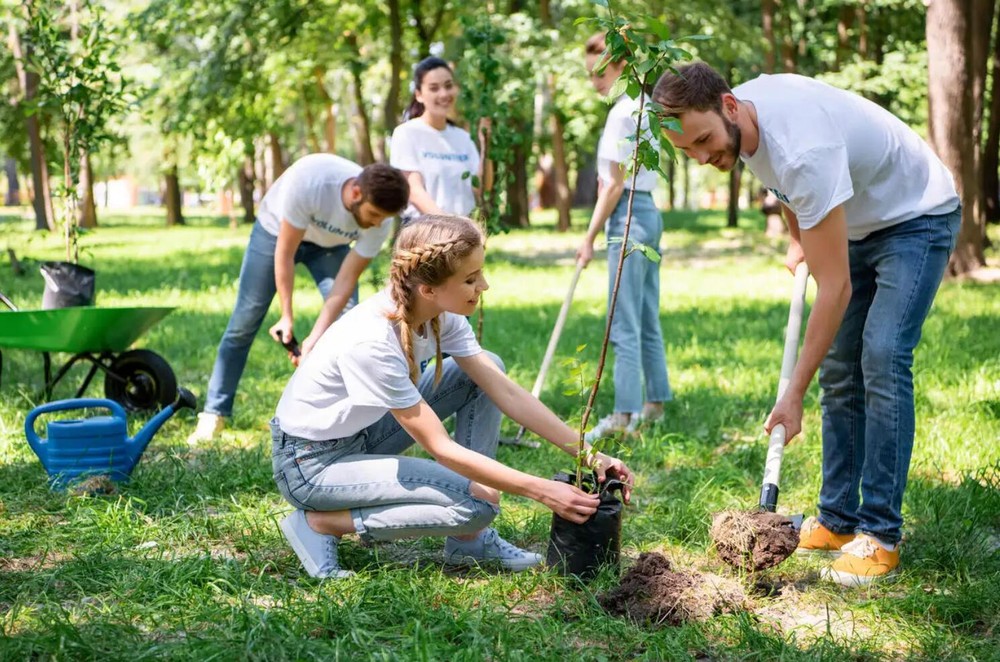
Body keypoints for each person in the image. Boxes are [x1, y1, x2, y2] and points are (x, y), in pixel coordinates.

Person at [652, 63, 960, 586]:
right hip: (856, 221)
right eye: (688, 152)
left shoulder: (802, 147)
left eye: (703, 141)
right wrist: (798, 235)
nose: (703, 158)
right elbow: (787, 188)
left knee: (881, 357)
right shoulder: (742, 121)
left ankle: (881, 535)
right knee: (840, 368)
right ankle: (838, 520)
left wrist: (792, 392)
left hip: (915, 216)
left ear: (729, 105)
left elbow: (834, 287)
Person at [271, 214, 634, 579]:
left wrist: (589, 454)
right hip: (312, 465)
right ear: (428, 289)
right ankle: (323, 522)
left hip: (361, 436)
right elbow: (440, 447)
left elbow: (505, 391)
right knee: (479, 502)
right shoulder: (373, 341)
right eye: (470, 279)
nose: (484, 285)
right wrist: (542, 490)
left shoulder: (440, 314)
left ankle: (469, 543)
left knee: (486, 369)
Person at [187, 155, 410, 444]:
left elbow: (343, 286)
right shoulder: (311, 183)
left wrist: (315, 338)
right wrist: (286, 316)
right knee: (245, 320)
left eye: (383, 218)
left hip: (330, 247)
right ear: (356, 193)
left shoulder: (379, 221)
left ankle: (341, 420)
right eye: (374, 214)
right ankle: (213, 413)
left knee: (349, 321)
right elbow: (284, 254)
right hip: (275, 233)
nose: (377, 224)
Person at [576, 33, 673, 443]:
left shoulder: (622, 113)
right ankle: (656, 403)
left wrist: (588, 237)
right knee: (646, 312)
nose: (595, 81)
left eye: (600, 73)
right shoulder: (645, 106)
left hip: (628, 214)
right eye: (590, 75)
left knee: (624, 320)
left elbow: (612, 186)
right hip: (649, 212)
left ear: (619, 64)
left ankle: (623, 414)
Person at [389, 56, 493, 218]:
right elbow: (414, 191)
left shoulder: (463, 138)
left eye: (448, 86)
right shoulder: (407, 133)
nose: (444, 94)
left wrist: (486, 144)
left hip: (463, 230)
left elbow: (482, 187)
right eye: (434, 88)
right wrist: (449, 225)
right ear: (419, 94)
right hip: (423, 230)